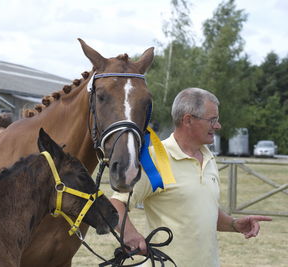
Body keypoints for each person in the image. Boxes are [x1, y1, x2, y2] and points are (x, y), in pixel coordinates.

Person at [111, 88, 272, 266]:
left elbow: (201, 211)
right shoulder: (154, 159)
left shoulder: (209, 158)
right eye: (213, 120)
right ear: (188, 120)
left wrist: (234, 224)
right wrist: (130, 234)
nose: (218, 126)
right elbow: (116, 204)